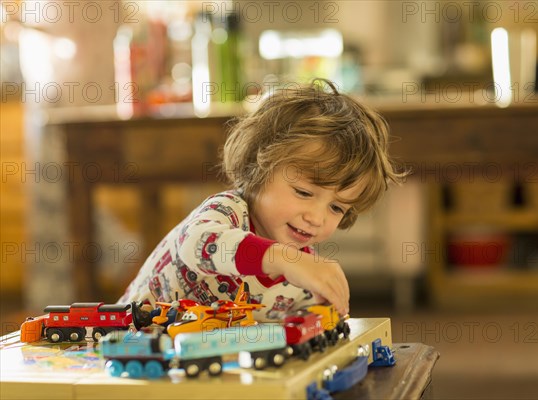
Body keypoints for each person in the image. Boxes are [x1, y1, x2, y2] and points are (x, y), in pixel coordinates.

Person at [119, 79, 402, 321]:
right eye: (303, 192)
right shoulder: (228, 211)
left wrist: (324, 311)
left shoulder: (301, 273)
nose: (316, 218)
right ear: (259, 166)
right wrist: (286, 260)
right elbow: (196, 244)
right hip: (123, 346)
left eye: (336, 207)